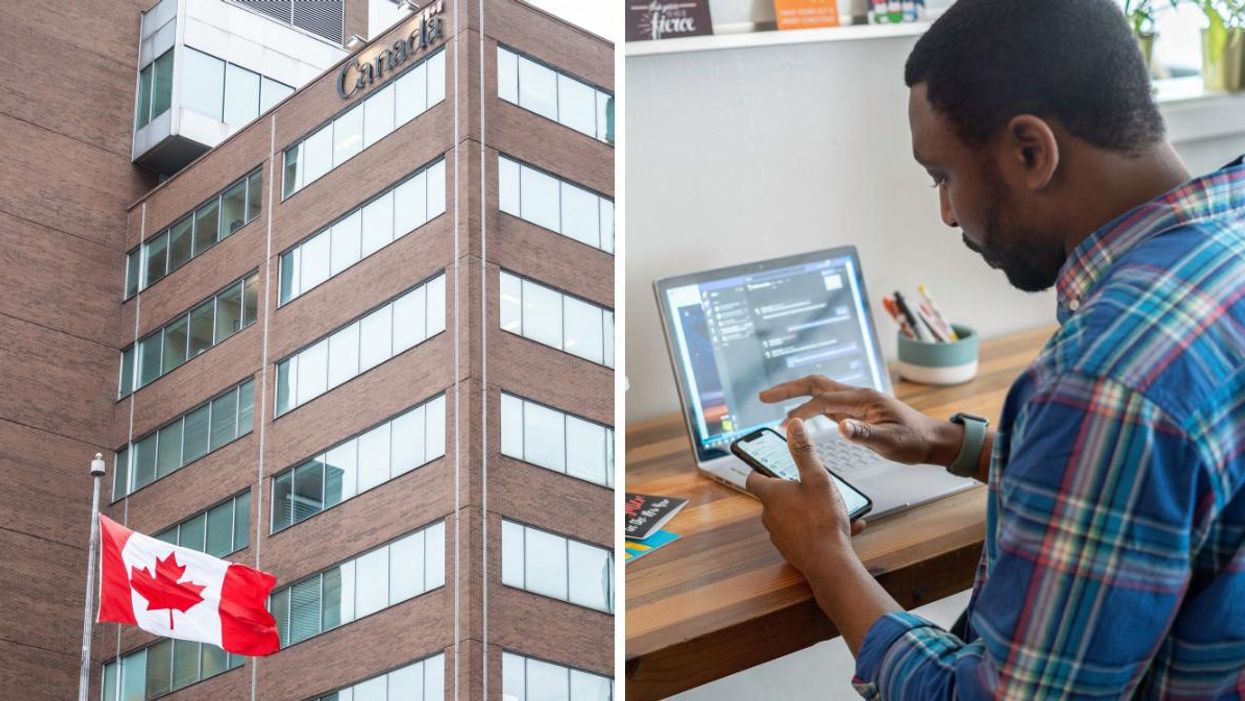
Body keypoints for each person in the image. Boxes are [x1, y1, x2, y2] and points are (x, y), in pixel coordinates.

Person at [745, 0, 1245, 698]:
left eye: (942, 176)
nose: (946, 213)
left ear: (1030, 152)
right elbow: (1167, 495)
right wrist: (952, 443)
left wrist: (825, 556)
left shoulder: (1104, 379)